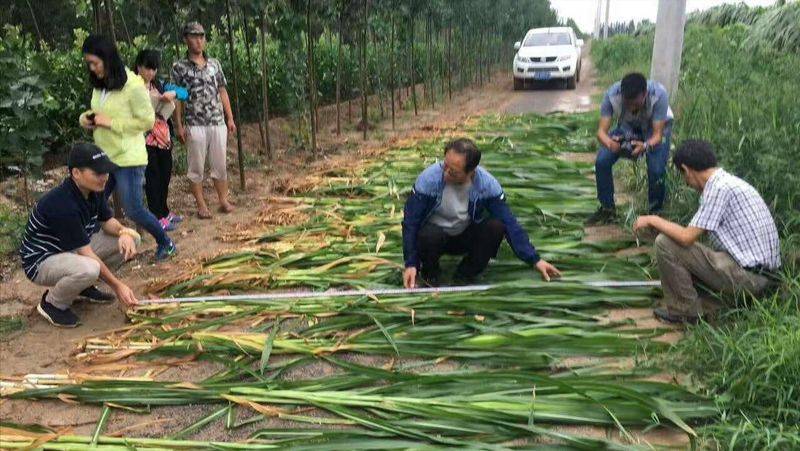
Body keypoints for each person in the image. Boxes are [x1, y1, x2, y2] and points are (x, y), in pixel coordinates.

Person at [633, 140, 781, 324]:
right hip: (763, 275)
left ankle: (685, 312)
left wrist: (653, 219)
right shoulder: (727, 183)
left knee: (665, 244)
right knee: (683, 250)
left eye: (683, 176)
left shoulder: (718, 189)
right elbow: (696, 235)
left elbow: (686, 237)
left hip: (750, 278)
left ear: (686, 170)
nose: (686, 183)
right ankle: (723, 303)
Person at [401, 138, 562, 289]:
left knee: (496, 227)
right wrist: (411, 263)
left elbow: (510, 223)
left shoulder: (487, 186)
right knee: (429, 235)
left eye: (453, 172)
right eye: (445, 166)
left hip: (464, 236)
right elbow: (411, 223)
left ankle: (464, 275)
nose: (445, 173)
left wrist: (535, 260)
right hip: (435, 239)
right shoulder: (428, 180)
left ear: (471, 171)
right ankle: (431, 275)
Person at [19, 143, 141, 328]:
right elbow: (86, 253)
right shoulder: (63, 204)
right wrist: (117, 286)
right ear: (76, 173)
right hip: (41, 261)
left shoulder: (93, 190)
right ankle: (52, 304)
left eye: (106, 171)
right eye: (98, 173)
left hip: (70, 249)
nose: (104, 177)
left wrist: (124, 232)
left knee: (132, 239)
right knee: (90, 268)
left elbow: (107, 221)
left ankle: (83, 286)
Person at [78, 34, 177, 261]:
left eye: (95, 63)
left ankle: (166, 243)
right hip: (105, 157)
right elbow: (98, 112)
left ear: (107, 58)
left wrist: (111, 123)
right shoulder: (100, 86)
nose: (92, 68)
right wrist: (87, 119)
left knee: (133, 209)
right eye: (89, 64)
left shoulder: (133, 85)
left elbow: (147, 121)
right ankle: (96, 250)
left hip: (128, 159)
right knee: (95, 204)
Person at [586, 72, 674, 225]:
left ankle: (655, 214)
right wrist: (610, 143)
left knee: (656, 169)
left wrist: (645, 146)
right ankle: (607, 209)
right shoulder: (612, 95)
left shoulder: (659, 95)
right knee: (602, 161)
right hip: (629, 127)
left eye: (636, 104)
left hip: (655, 129)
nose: (632, 108)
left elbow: (657, 136)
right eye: (628, 103)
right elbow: (601, 133)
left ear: (645, 94)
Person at [170, 22, 237, 219]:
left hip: (217, 121)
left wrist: (230, 117)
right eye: (194, 36)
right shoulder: (179, 68)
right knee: (196, 167)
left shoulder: (214, 64)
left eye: (201, 36)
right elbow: (178, 98)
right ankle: (201, 205)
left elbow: (222, 90)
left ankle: (223, 200)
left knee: (220, 165)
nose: (199, 41)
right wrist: (179, 125)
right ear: (186, 39)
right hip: (195, 123)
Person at [134, 49, 185, 231]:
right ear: (138, 67)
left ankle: (164, 211)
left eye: (154, 69)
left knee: (165, 174)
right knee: (153, 177)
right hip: (146, 138)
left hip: (163, 137)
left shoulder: (159, 84)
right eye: (148, 68)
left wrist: (172, 95)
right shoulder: (132, 87)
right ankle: (156, 216)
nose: (151, 72)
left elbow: (184, 92)